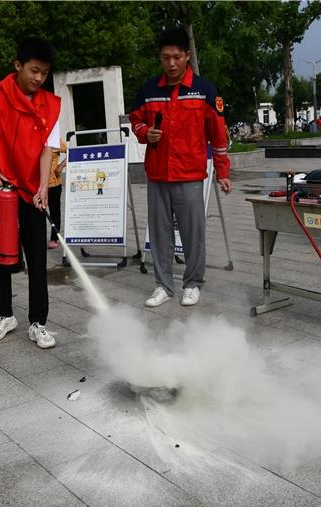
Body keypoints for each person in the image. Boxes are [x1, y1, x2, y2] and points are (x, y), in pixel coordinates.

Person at [129, 27, 232, 308]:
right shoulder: (148, 90)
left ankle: (193, 283)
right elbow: (135, 121)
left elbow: (218, 135)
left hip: (189, 174)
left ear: (187, 56)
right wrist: (144, 132)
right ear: (160, 58)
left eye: (176, 57)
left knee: (192, 232)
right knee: (159, 234)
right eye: (165, 58)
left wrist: (222, 171)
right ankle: (163, 285)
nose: (171, 64)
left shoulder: (204, 91)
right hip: (158, 174)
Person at [0, 37, 60, 349]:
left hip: (32, 195)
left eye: (44, 73)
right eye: (34, 70)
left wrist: (42, 186)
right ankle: (5, 315)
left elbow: (48, 148)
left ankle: (39, 322)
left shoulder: (50, 103)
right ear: (18, 65)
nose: (39, 78)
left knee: (37, 260)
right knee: (2, 258)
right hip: (3, 193)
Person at [47, 139, 66, 249]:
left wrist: (61, 165)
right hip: (37, 183)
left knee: (54, 212)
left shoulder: (55, 140)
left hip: (54, 183)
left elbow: (71, 151)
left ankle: (54, 237)